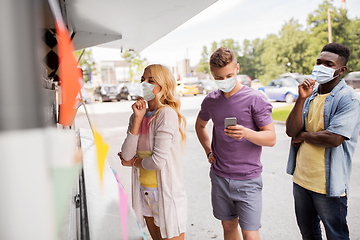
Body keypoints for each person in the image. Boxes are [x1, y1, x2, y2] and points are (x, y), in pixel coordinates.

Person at [195, 47, 276, 240]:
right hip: (220, 176)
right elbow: (200, 126)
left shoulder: (255, 99)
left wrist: (246, 133)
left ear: (237, 68)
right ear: (213, 75)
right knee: (228, 227)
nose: (225, 81)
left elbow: (271, 138)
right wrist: (208, 151)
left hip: (248, 179)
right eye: (219, 78)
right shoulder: (211, 100)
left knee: (250, 233)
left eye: (229, 75)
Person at [285, 43, 360, 240]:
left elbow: (334, 138)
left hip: (329, 185)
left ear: (341, 70)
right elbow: (291, 131)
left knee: (336, 236)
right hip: (301, 180)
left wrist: (303, 136)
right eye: (319, 62)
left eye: (328, 64)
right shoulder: (311, 95)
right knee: (309, 234)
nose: (320, 67)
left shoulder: (348, 99)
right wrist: (301, 99)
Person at [118, 64, 187, 240]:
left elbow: (156, 161)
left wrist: (134, 162)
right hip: (144, 193)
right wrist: (138, 119)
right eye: (143, 80)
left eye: (151, 80)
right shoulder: (137, 115)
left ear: (163, 86)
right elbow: (125, 155)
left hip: (165, 194)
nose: (144, 84)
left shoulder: (166, 114)